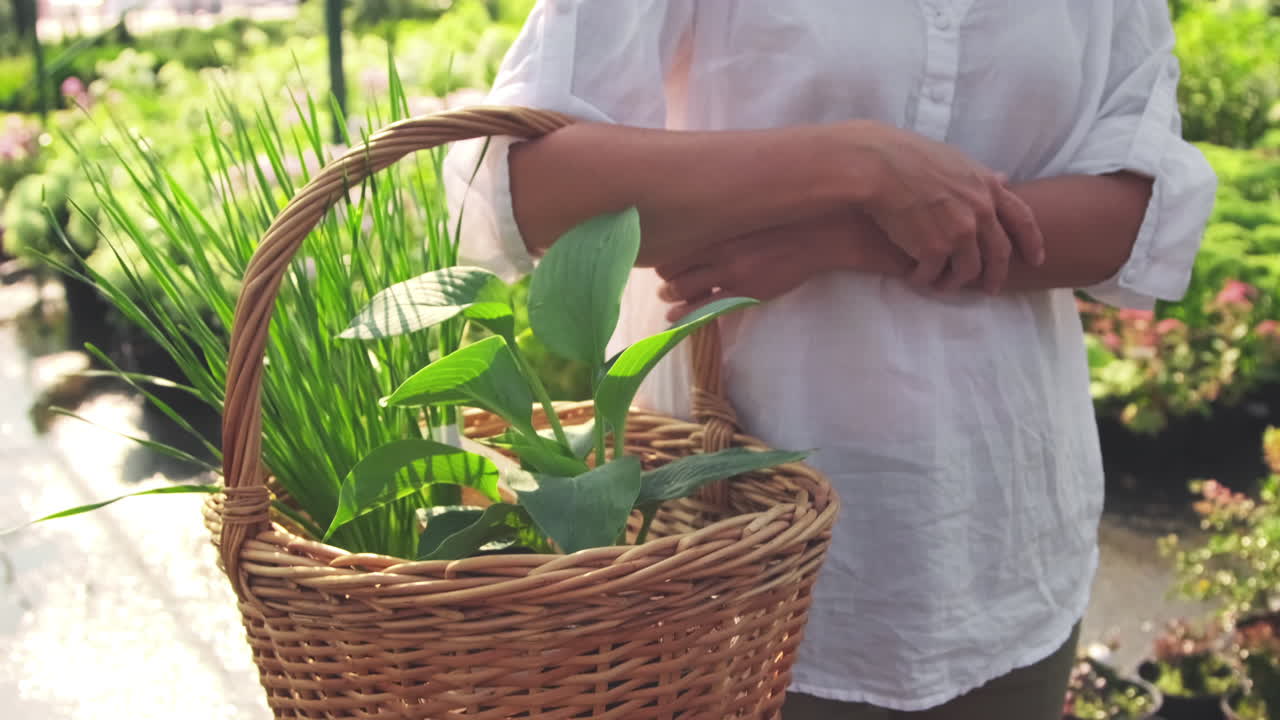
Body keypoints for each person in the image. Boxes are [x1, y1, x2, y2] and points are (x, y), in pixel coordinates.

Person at [441, 2, 1217, 717]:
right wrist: (857, 162)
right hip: (728, 554)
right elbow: (525, 183)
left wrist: (840, 238)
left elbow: (1131, 213)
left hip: (1003, 542)